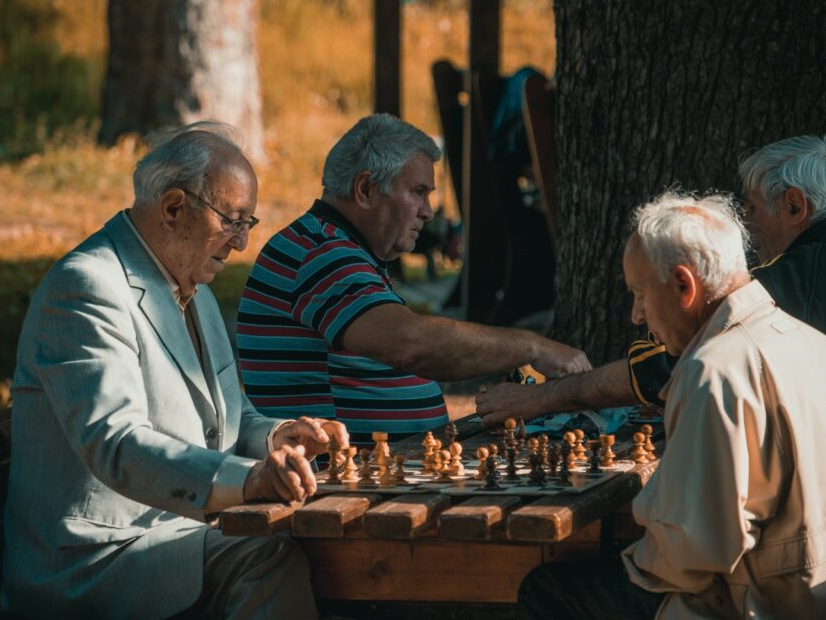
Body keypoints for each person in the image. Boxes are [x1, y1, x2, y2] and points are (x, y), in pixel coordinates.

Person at [476, 134, 826, 612]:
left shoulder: (733, 345)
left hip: (786, 597)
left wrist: (639, 546)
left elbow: (696, 552)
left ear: (684, 285)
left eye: (640, 294)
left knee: (553, 588)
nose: (637, 317)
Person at [2, 122, 348, 618]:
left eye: (248, 224)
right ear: (172, 208)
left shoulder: (196, 289)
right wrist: (248, 481)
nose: (240, 244)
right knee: (265, 557)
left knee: (321, 548)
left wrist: (281, 437)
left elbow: (229, 416)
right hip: (95, 563)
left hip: (179, 534)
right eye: (233, 220)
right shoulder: (86, 287)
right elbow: (117, 441)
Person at [237, 113, 590, 447]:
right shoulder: (323, 253)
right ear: (365, 189)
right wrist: (534, 347)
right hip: (339, 482)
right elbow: (413, 345)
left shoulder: (331, 245)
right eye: (418, 192)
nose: (428, 211)